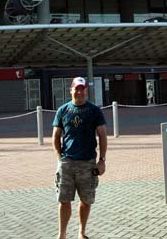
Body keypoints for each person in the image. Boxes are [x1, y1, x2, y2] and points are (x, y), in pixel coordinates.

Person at [52, 76, 107, 239]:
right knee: (64, 200)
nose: (79, 91)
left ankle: (81, 232)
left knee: (86, 199)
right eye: (76, 88)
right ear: (71, 90)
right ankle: (62, 234)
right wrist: (59, 156)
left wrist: (102, 160)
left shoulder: (94, 111)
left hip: (88, 163)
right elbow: (56, 135)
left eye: (82, 89)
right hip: (67, 162)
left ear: (86, 91)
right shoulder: (63, 110)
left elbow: (102, 135)